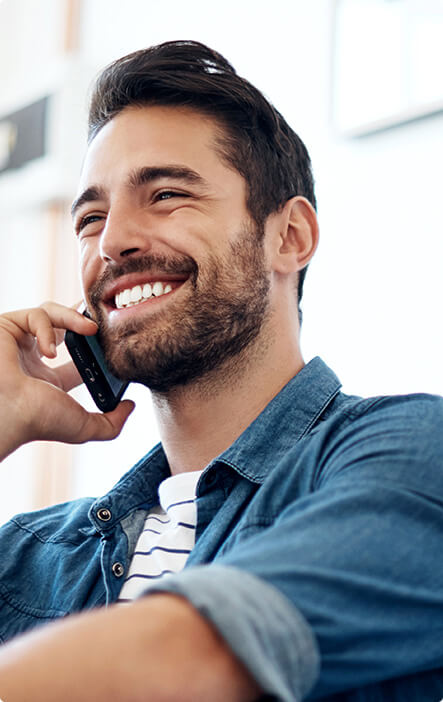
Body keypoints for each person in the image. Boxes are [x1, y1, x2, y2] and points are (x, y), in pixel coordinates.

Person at [0, 40, 442, 702]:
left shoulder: (407, 450)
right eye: (90, 218)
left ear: (288, 237)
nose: (113, 239)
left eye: (167, 193)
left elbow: (182, 658)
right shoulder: (28, 555)